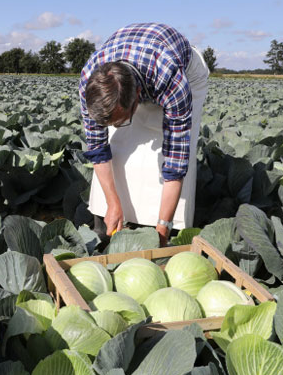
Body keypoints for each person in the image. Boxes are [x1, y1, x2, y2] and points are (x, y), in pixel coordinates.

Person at [78, 23, 210, 246]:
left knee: (162, 151)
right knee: (118, 143)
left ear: (137, 96)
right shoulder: (91, 81)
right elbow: (98, 151)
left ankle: (167, 226)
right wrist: (113, 202)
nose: (119, 124)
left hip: (186, 72)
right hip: (137, 67)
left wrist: (161, 232)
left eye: (122, 119)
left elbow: (175, 164)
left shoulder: (169, 80)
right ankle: (109, 215)